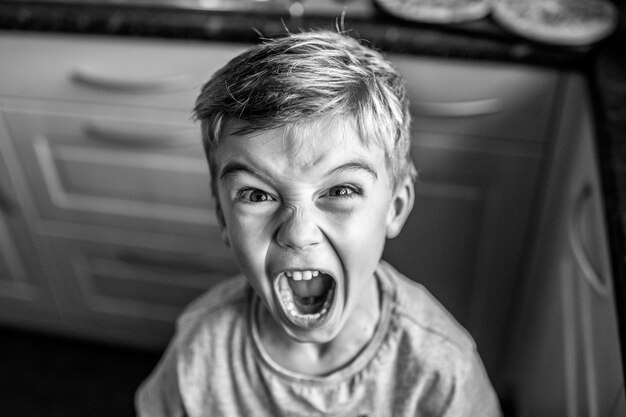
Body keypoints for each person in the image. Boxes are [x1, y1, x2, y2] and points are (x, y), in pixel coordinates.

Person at [135, 30, 502, 417]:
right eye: (257, 195)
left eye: (340, 190)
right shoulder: (199, 349)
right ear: (222, 217)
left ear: (394, 206)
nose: (297, 233)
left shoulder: (441, 369)